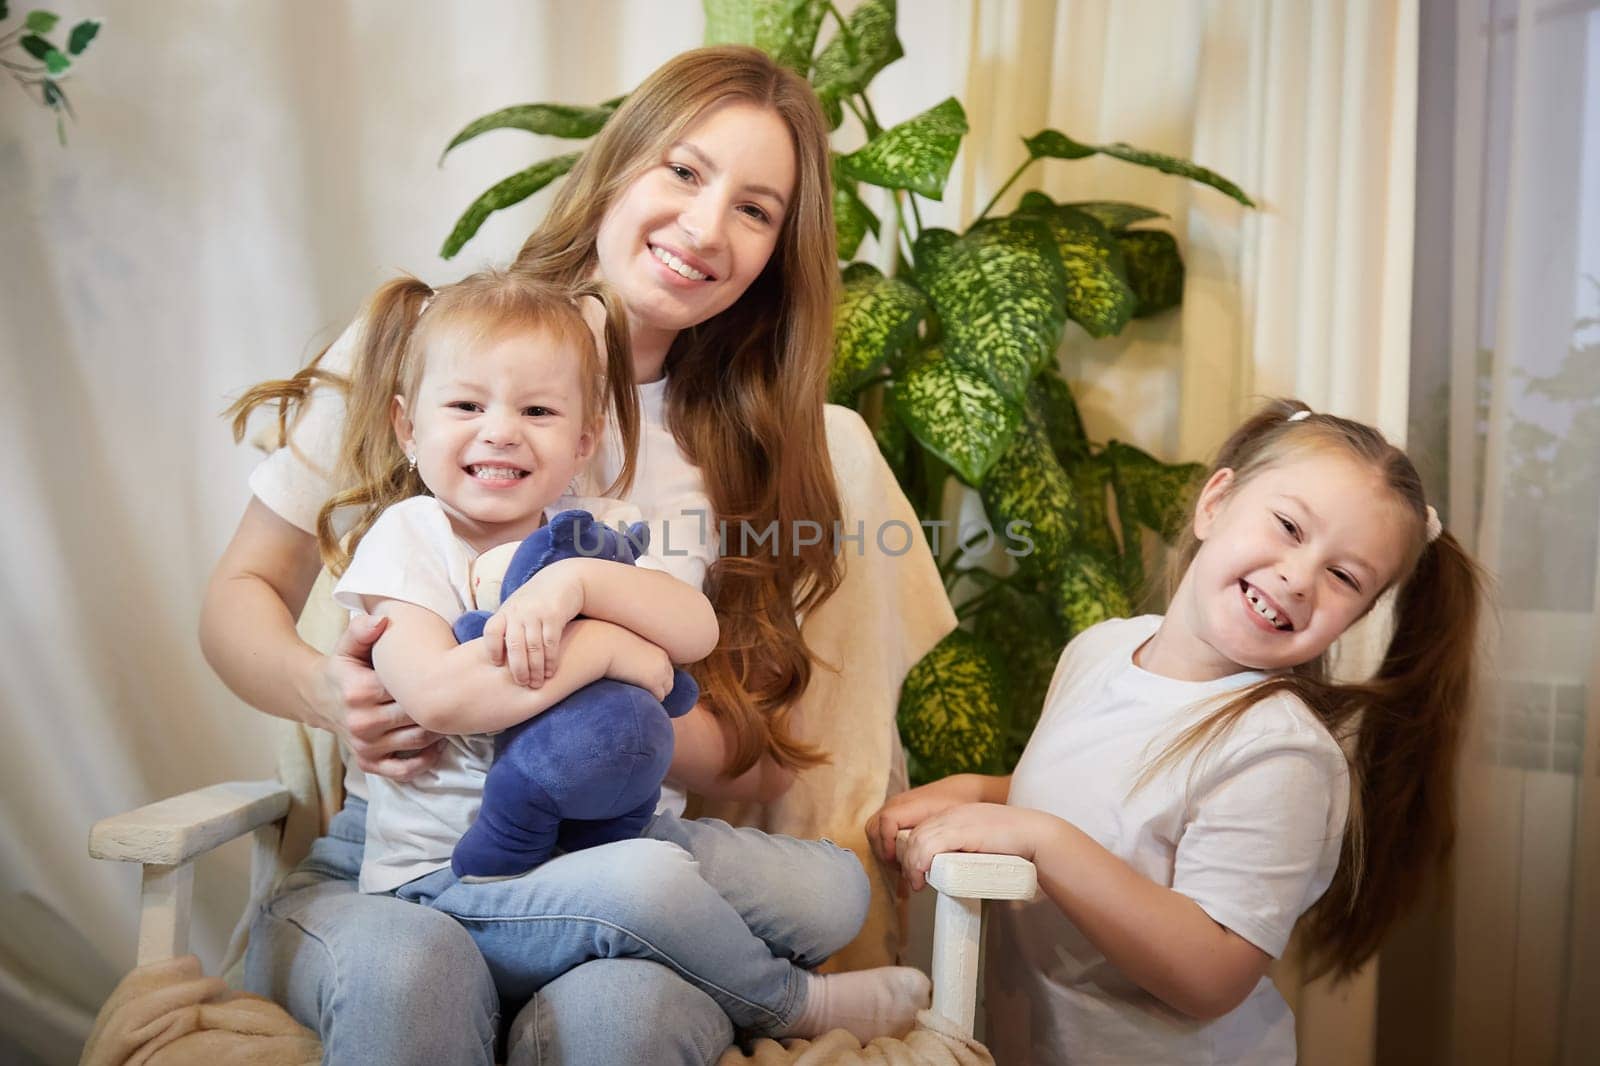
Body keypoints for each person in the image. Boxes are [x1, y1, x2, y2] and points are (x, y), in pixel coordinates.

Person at [202, 45, 922, 1066]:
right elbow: (240, 594)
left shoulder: (746, 443)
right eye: (682, 170)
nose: (706, 227)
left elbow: (747, 747)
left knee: (630, 1016)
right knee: (413, 974)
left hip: (618, 849)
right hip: (401, 854)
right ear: (618, 163)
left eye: (756, 210)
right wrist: (328, 690)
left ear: (777, 251)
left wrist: (594, 695)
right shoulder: (428, 348)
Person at [325, 265, 927, 1040]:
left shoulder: (593, 528)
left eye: (537, 410)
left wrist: (576, 584)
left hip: (609, 832)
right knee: (649, 885)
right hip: (457, 875)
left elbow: (693, 632)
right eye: (467, 406)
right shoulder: (409, 539)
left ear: (582, 442)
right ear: (411, 429)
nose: (501, 430)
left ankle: (646, 930)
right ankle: (790, 1002)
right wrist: (607, 650)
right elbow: (441, 698)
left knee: (832, 891)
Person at [869, 400, 1485, 1065]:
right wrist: (984, 795)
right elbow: (1102, 802)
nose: (1298, 577)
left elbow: (1211, 974)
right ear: (1216, 503)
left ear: (1358, 615)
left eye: (1343, 577)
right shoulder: (1100, 650)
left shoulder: (1280, 753)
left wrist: (1037, 838)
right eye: (1287, 526)